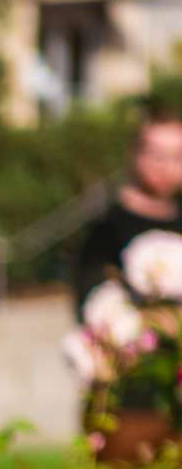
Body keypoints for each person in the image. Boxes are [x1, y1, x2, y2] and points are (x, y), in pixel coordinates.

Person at [69, 102, 182, 318]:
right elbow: (92, 302)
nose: (167, 167)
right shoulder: (107, 226)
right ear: (136, 154)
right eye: (158, 155)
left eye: (177, 157)